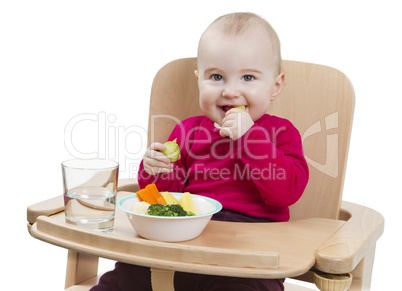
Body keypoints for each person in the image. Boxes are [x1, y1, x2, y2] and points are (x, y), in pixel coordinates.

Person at [91, 12, 309, 291]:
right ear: (199, 80)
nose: (230, 91)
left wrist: (251, 138)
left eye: (248, 77)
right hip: (180, 245)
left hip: (248, 261)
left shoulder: (280, 133)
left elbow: (286, 192)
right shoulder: (187, 132)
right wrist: (156, 170)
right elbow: (165, 199)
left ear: (275, 86)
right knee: (123, 277)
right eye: (216, 76)